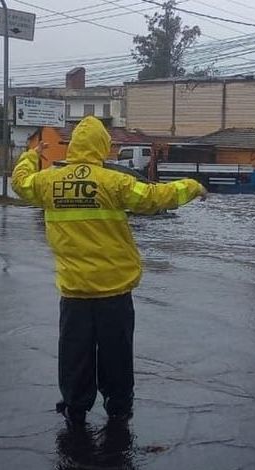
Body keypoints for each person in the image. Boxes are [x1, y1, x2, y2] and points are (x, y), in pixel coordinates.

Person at [12, 116, 206, 429]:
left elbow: (20, 183)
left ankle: (75, 406)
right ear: (103, 146)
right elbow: (155, 198)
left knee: (74, 352)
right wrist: (191, 186)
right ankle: (118, 409)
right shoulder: (113, 181)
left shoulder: (49, 181)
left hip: (74, 289)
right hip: (114, 289)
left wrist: (31, 154)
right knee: (116, 353)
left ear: (74, 146)